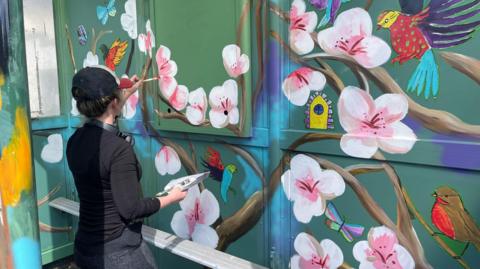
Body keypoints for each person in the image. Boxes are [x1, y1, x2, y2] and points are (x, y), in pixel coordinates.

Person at [66, 65, 187, 269]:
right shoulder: (118, 149)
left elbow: (102, 131)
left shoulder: (75, 141)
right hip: (118, 254)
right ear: (114, 103)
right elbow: (132, 210)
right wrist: (172, 196)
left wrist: (123, 95)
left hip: (85, 249)